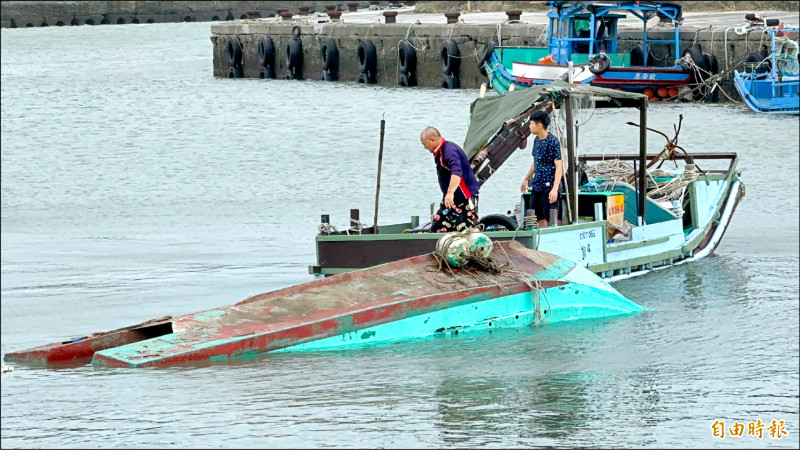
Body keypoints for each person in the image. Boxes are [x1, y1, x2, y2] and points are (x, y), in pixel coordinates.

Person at [420, 126, 480, 232]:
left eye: (425, 144)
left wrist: (450, 193)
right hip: (451, 199)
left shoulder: (448, 150)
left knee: (466, 228)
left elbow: (457, 172)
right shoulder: (440, 151)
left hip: (461, 197)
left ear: (432, 140)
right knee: (438, 226)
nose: (425, 147)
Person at [520, 111, 563, 227]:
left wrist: (555, 189)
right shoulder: (536, 141)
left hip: (549, 186)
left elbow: (559, 166)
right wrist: (526, 179)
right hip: (537, 185)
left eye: (531, 124)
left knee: (551, 217)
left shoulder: (552, 141)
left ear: (539, 125)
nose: (529, 127)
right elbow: (535, 163)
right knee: (535, 217)